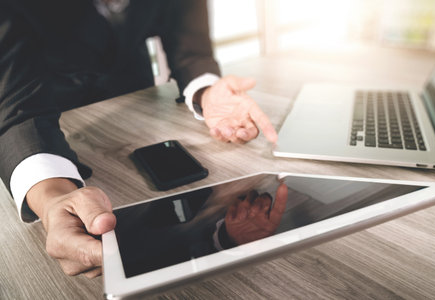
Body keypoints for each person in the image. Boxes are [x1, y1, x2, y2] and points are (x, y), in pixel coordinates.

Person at [0, 0, 278, 278]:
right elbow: (13, 102)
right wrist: (51, 198)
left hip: (140, 97)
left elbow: (191, 50)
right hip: (49, 106)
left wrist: (206, 91)